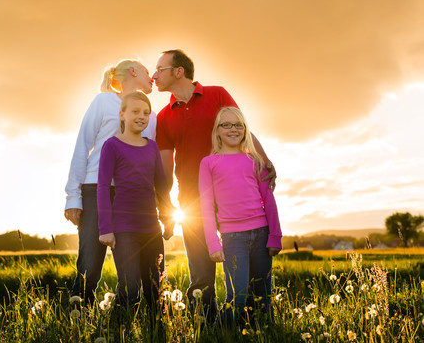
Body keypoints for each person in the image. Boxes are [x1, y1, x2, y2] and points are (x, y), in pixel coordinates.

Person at [153, 49, 276, 319]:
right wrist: (166, 205)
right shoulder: (163, 117)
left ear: (178, 71)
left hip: (235, 194)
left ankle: (253, 321)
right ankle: (205, 327)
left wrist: (264, 160)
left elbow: (241, 128)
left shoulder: (217, 94)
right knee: (201, 271)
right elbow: (165, 166)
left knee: (252, 270)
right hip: (192, 201)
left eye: (159, 69)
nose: (154, 76)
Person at [64, 59, 156, 305]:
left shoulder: (151, 116)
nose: (153, 77)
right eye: (148, 72)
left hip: (132, 198)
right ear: (134, 72)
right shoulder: (103, 102)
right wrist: (73, 196)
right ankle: (77, 322)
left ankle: (129, 324)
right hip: (95, 191)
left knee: (132, 272)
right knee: (90, 265)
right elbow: (83, 146)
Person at [199, 107, 282, 325]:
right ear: (217, 131)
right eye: (226, 125)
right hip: (232, 238)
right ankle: (223, 336)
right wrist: (213, 243)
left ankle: (267, 335)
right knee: (237, 297)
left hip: (262, 235)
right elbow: (206, 205)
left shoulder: (255, 160)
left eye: (238, 125)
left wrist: (275, 235)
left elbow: (269, 200)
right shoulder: (209, 163)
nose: (233, 129)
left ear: (245, 130)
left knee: (264, 297)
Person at [97, 91, 174, 312]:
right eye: (136, 111)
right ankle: (119, 332)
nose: (142, 116)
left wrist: (168, 220)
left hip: (151, 230)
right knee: (130, 289)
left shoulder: (151, 147)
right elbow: (102, 187)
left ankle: (157, 333)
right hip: (124, 230)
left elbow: (161, 187)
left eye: (146, 113)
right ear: (122, 115)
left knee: (155, 289)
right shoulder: (112, 146)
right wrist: (105, 228)